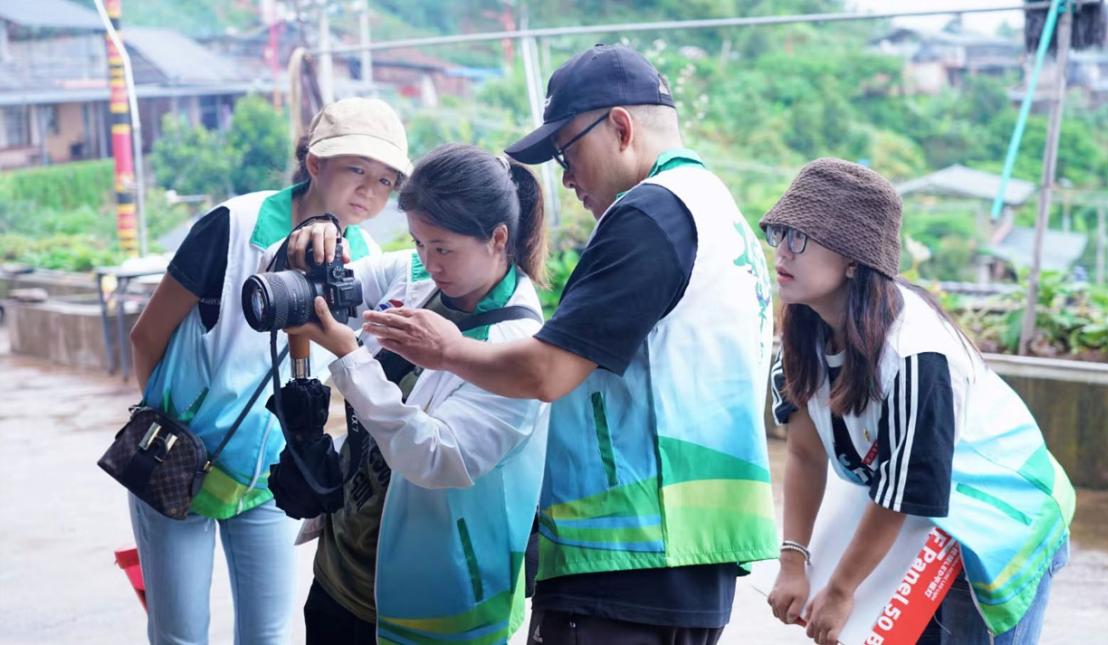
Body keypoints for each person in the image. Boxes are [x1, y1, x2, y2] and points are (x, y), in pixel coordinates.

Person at [367, 45, 778, 644]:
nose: (565, 176)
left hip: (627, 553)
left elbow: (546, 373)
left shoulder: (650, 214)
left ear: (620, 127)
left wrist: (446, 349)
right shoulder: (718, 212)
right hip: (693, 555)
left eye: (568, 151)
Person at [127, 97, 411, 644]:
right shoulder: (234, 226)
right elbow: (147, 334)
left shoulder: (366, 259)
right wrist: (169, 431)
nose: (369, 192)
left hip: (271, 477)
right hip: (176, 458)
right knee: (179, 633)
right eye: (356, 169)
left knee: (270, 634)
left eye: (384, 181)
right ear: (315, 164)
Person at [761, 158, 1074, 645]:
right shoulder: (803, 334)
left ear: (854, 259)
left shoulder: (914, 353)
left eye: (800, 237)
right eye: (779, 232)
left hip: (1001, 513)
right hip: (923, 518)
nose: (782, 250)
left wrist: (841, 590)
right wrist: (792, 562)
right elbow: (804, 454)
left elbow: (906, 491)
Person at [283, 143, 550, 644]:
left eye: (442, 248)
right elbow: (306, 291)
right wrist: (312, 241)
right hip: (340, 576)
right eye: (418, 242)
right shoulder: (416, 275)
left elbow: (435, 458)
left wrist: (350, 358)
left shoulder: (515, 347)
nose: (429, 260)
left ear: (497, 238)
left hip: (433, 605)